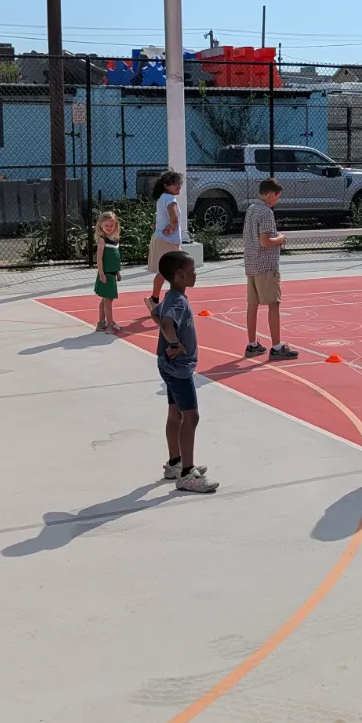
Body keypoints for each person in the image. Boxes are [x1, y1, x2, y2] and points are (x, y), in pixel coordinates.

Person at [156, 249, 218, 493]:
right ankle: (186, 474)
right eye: (192, 271)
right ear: (180, 275)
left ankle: (174, 462)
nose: (195, 274)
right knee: (191, 417)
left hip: (169, 367)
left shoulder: (171, 296)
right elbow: (165, 322)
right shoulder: (178, 301)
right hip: (180, 370)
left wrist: (169, 340)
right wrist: (172, 343)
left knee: (176, 413)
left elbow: (156, 313)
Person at [242, 177, 298, 360]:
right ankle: (276, 346)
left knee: (253, 304)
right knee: (274, 304)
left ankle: (252, 344)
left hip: (251, 263)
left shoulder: (251, 209)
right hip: (266, 265)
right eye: (278, 196)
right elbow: (265, 241)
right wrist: (280, 239)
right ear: (271, 194)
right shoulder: (266, 212)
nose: (278, 200)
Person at [145, 170, 183, 317]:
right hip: (167, 241)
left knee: (165, 272)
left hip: (163, 240)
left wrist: (161, 226)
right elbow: (174, 218)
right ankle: (174, 302)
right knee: (178, 273)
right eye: (175, 183)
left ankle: (154, 299)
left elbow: (163, 217)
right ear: (167, 185)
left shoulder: (162, 197)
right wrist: (171, 227)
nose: (179, 186)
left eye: (179, 183)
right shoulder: (170, 200)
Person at [92, 211, 123, 333]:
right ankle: (110, 324)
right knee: (108, 300)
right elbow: (99, 258)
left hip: (112, 274)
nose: (109, 228)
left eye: (112, 225)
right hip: (106, 274)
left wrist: (118, 272)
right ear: (101, 226)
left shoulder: (115, 239)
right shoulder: (102, 240)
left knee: (105, 299)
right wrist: (101, 274)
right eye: (106, 226)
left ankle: (101, 323)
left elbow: (115, 258)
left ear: (116, 225)